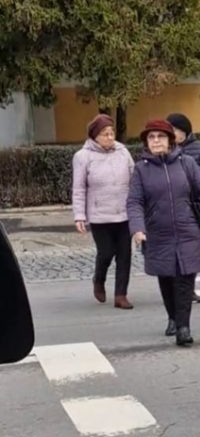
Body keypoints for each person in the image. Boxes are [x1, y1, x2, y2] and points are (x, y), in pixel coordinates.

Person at [127, 120, 200, 347]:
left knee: (185, 278)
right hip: (157, 232)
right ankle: (172, 317)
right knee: (167, 278)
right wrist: (137, 228)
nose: (156, 141)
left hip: (187, 230)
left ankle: (183, 326)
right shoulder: (141, 169)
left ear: (170, 140)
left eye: (160, 136)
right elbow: (135, 201)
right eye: (151, 137)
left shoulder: (187, 164)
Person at [72, 114, 136, 309]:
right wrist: (79, 215)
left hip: (124, 212)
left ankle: (120, 295)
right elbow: (79, 188)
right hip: (100, 215)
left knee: (125, 254)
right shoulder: (83, 156)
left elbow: (135, 179)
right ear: (94, 136)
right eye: (104, 134)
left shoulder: (123, 152)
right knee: (106, 252)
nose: (109, 137)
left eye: (111, 133)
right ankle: (98, 280)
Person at [166, 113, 200, 304]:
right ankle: (173, 286)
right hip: (173, 206)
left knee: (192, 250)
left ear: (184, 131)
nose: (171, 135)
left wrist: (193, 169)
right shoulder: (165, 150)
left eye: (174, 131)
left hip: (195, 206)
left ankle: (189, 287)